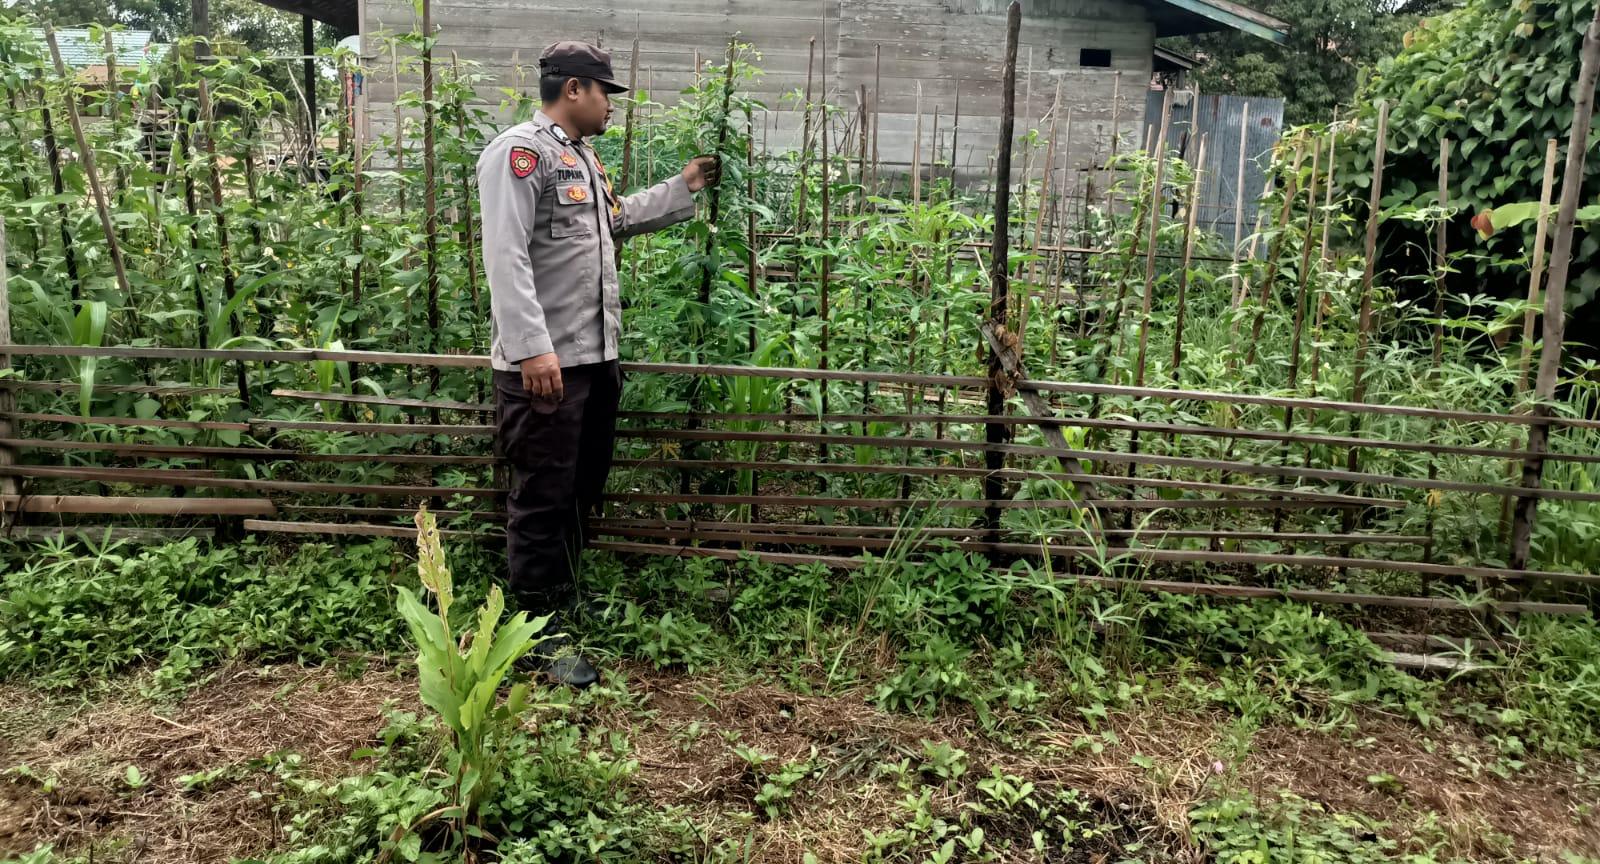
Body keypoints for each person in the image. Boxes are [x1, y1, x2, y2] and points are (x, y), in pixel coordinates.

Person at [478, 41, 720, 687]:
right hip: (546, 364)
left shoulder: (579, 157)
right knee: (541, 495)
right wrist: (532, 348)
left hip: (592, 358)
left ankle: (561, 597)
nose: (612, 106)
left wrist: (681, 188)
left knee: (581, 486)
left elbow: (610, 223)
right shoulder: (519, 154)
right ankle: (533, 632)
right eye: (607, 94)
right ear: (577, 89)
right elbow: (506, 257)